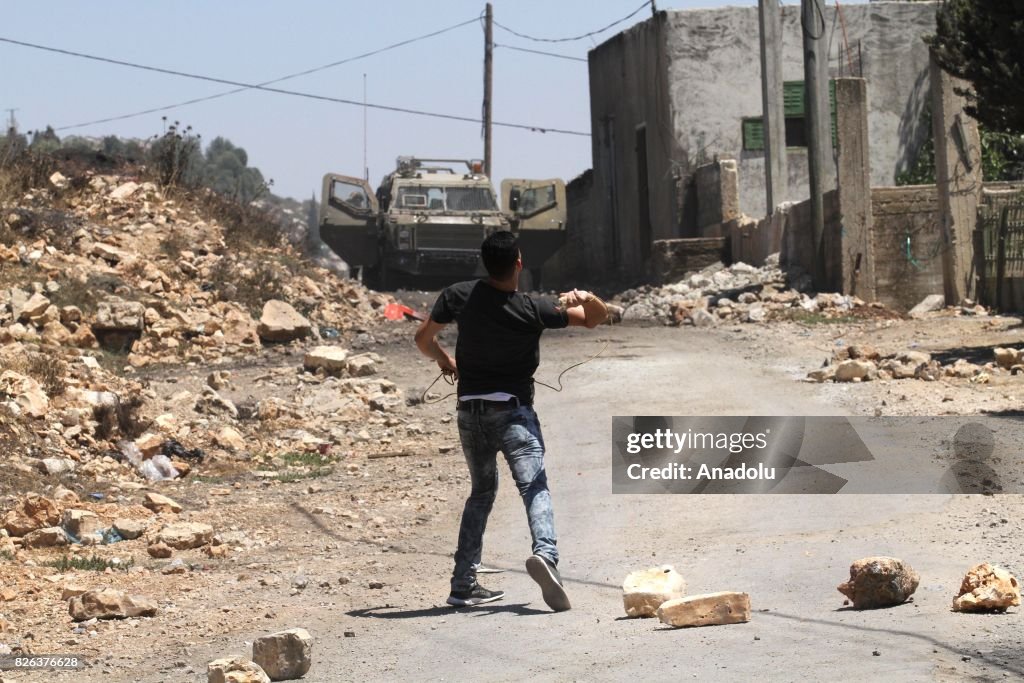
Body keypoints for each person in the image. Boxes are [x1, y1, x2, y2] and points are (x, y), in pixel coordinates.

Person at [414, 231, 608, 611]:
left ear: (484, 263)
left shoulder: (458, 295)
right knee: (534, 487)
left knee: (481, 494)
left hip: (470, 411)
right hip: (514, 412)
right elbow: (593, 320)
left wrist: (443, 359)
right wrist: (588, 298)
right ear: (519, 263)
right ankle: (546, 557)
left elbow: (423, 338)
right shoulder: (533, 308)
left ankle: (463, 583)